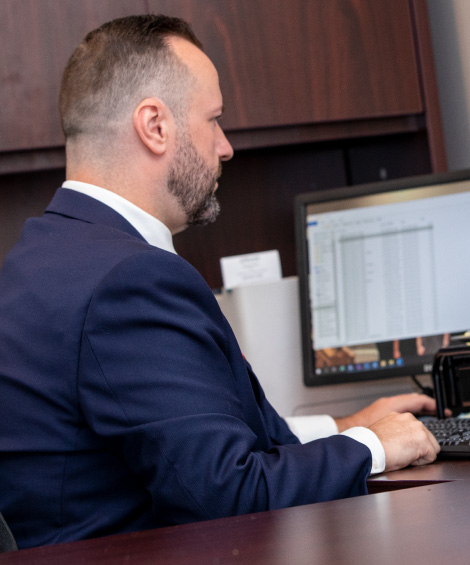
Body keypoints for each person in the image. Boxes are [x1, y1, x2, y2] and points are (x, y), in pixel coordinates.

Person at [0, 14, 440, 549]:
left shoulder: (41, 257)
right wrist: (373, 445)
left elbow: (188, 443)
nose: (226, 146)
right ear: (155, 126)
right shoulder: (129, 279)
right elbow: (225, 494)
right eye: (213, 120)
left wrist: (343, 426)